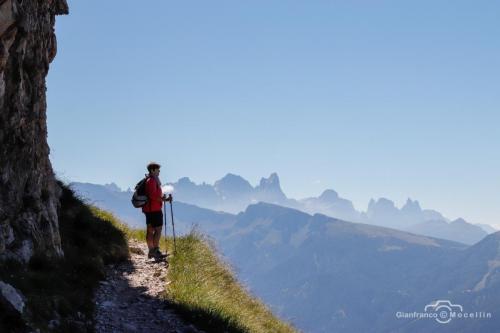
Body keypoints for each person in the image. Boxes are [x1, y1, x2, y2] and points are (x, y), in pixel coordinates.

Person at [142, 162, 172, 259]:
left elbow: (153, 195)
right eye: (157, 169)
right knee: (158, 230)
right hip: (154, 209)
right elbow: (152, 196)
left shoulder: (149, 180)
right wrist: (164, 199)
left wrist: (161, 197)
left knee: (150, 230)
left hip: (149, 209)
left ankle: (151, 251)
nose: (159, 171)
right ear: (152, 170)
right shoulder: (152, 181)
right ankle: (155, 251)